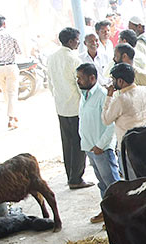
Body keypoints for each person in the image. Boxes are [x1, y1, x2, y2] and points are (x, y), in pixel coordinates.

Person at [47, 28, 92, 190]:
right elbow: (81, 84)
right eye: (77, 40)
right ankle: (76, 178)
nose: (79, 42)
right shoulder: (74, 59)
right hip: (75, 107)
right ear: (71, 41)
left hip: (61, 107)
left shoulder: (52, 57)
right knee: (79, 144)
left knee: (67, 143)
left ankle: (70, 176)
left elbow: (50, 83)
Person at [77, 62, 121, 223]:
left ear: (92, 78)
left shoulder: (103, 96)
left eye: (81, 78)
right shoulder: (84, 95)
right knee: (102, 184)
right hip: (90, 147)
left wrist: (100, 145)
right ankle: (107, 212)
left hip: (101, 148)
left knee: (112, 184)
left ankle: (120, 215)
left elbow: (111, 126)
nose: (78, 81)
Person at [102, 62, 146, 148]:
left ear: (120, 81)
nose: (112, 83)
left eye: (113, 80)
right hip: (144, 141)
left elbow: (106, 120)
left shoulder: (121, 100)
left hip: (126, 146)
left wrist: (109, 96)